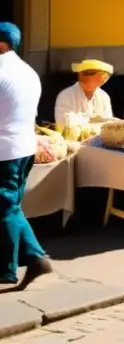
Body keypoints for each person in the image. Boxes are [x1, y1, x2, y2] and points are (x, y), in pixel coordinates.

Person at [0, 23, 52, 287]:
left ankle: (20, 264)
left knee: (6, 206)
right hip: (23, 147)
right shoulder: (28, 71)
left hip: (5, 151)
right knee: (10, 206)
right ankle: (27, 260)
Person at [54, 59, 115, 129]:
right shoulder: (65, 95)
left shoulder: (104, 97)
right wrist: (91, 119)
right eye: (84, 73)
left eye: (90, 73)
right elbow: (64, 122)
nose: (85, 78)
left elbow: (109, 124)